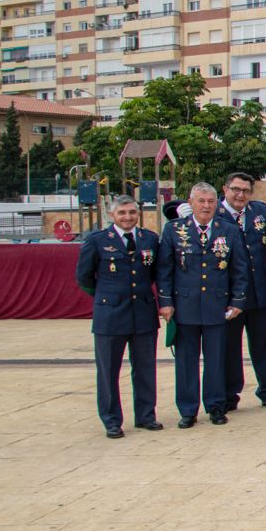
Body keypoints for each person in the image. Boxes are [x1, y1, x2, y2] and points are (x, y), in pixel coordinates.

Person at [156, 182, 248, 428]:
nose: (206, 206)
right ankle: (188, 410)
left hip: (217, 306)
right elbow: (164, 269)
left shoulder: (228, 230)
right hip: (184, 305)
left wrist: (238, 300)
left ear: (216, 203)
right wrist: (165, 302)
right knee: (186, 361)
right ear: (191, 202)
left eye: (210, 201)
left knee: (217, 359)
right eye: (201, 201)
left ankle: (216, 406)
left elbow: (239, 269)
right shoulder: (174, 230)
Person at [76, 196, 161, 438]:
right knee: (108, 371)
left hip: (143, 312)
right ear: (112, 215)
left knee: (145, 368)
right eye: (122, 213)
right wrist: (105, 294)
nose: (127, 217)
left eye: (132, 212)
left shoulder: (149, 239)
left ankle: (146, 415)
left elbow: (154, 272)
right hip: (110, 315)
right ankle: (111, 419)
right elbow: (84, 276)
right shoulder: (98, 241)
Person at [216, 171, 266, 411]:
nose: (240, 195)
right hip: (229, 297)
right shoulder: (216, 214)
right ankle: (230, 394)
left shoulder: (259, 212)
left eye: (245, 191)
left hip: (260, 291)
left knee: (264, 345)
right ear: (225, 189)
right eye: (236, 190)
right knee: (230, 348)